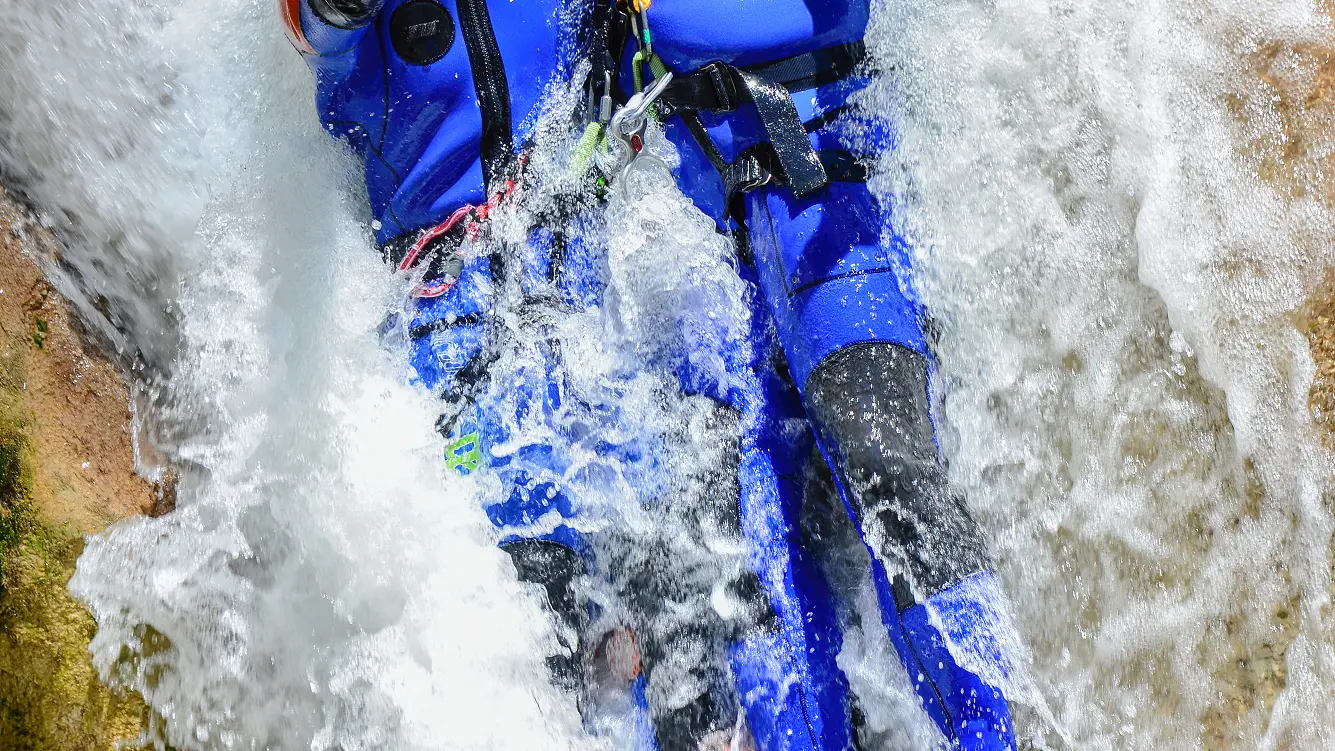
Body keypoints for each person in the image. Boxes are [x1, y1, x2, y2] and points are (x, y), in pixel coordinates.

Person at [282, 1, 1021, 749]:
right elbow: (319, 25)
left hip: (680, 245)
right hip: (471, 320)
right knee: (582, 621)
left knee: (829, 497)